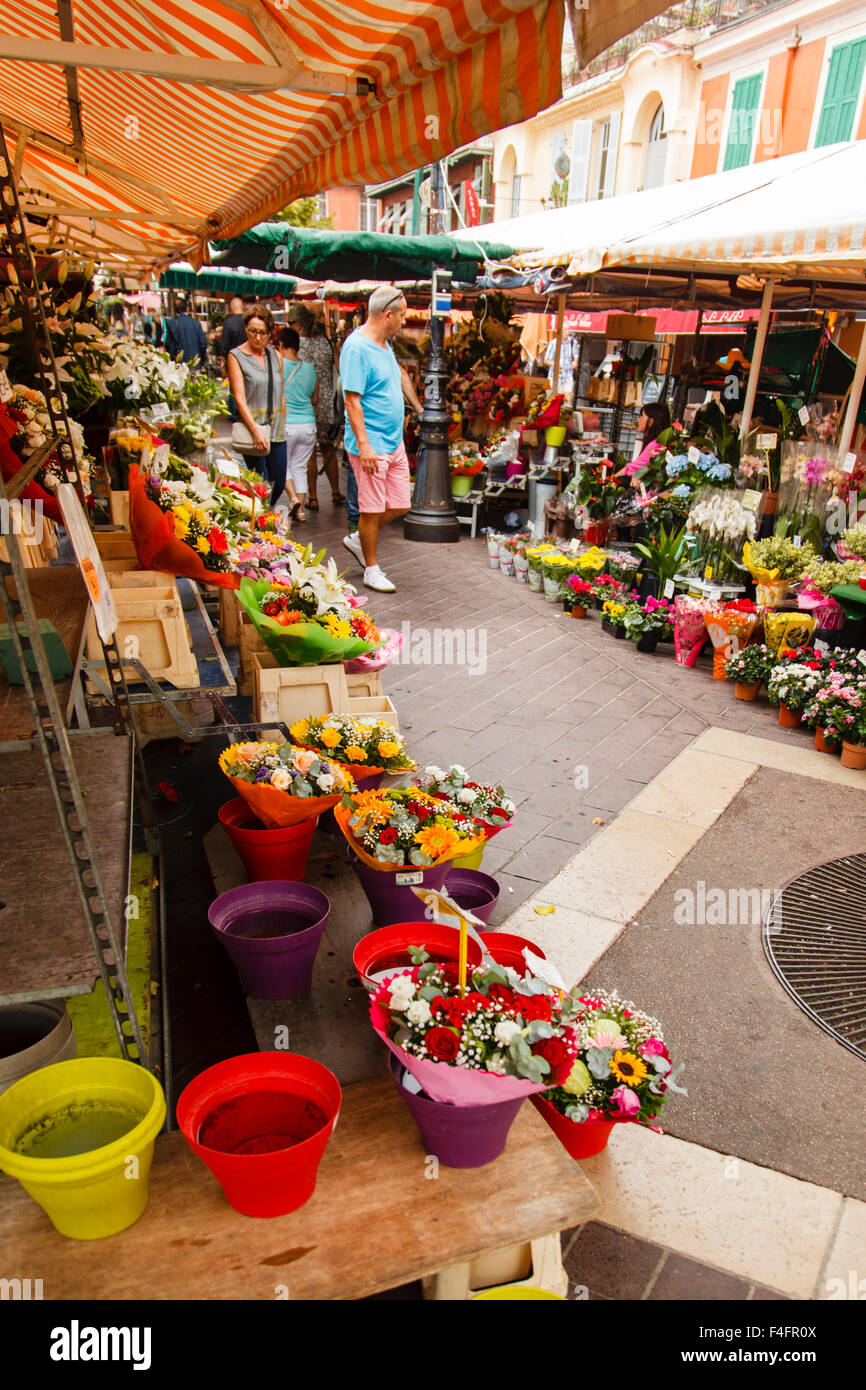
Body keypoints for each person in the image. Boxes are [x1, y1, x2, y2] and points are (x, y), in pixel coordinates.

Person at [341, 286, 422, 593]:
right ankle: (371, 569)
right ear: (387, 315)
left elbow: (398, 376)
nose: (404, 320)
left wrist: (416, 407)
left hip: (393, 441)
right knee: (371, 510)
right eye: (402, 315)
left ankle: (359, 537)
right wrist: (364, 445)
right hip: (372, 444)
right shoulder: (356, 348)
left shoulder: (384, 343)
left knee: (401, 503)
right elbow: (352, 401)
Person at [226, 304, 287, 507]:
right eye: (253, 331)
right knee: (261, 484)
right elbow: (239, 397)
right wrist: (255, 430)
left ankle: (264, 520)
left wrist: (285, 425)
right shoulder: (236, 356)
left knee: (278, 483)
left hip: (276, 428)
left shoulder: (275, 356)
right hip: (255, 428)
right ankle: (262, 528)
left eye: (262, 332)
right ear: (245, 329)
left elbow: (281, 393)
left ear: (270, 333)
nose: (257, 337)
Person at [288, 306, 344, 510]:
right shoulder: (326, 343)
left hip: (309, 402)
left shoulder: (299, 346)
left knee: (310, 451)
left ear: (298, 324)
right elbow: (339, 367)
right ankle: (336, 492)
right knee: (328, 447)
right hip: (328, 404)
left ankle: (313, 497)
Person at [274, 327, 318, 520]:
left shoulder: (278, 365)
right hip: (308, 424)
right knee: (300, 467)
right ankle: (299, 512)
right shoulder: (310, 368)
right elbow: (315, 398)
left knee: (283, 466)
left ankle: (293, 499)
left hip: (287, 424)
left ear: (281, 344)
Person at [615, 401, 671, 482]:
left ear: (651, 422)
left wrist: (611, 481)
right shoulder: (659, 443)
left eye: (641, 416)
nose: (638, 419)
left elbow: (632, 468)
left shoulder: (655, 445)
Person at [164, 297, 208, 364]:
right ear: (187, 308)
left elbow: (169, 344)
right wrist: (202, 357)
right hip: (195, 360)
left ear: (175, 309)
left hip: (179, 361)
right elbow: (202, 343)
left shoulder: (171, 323)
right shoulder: (195, 323)